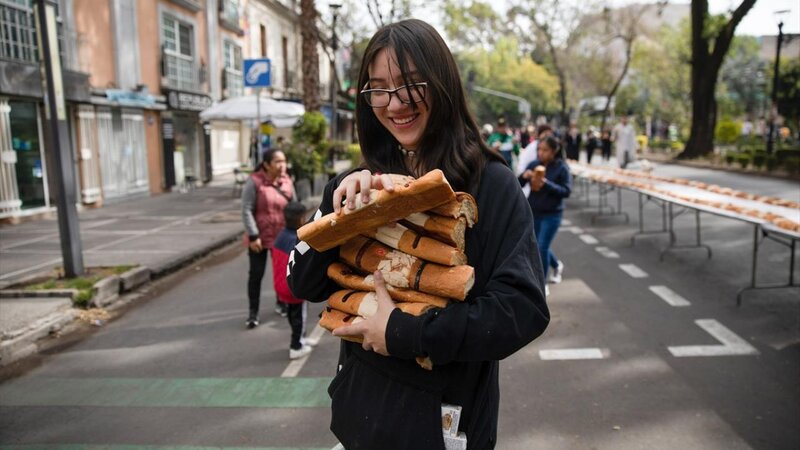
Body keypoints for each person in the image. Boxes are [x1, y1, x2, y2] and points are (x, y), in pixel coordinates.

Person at [287, 19, 549, 449]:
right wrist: (338, 205)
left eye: (409, 84)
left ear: (441, 83)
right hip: (359, 422)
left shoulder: (491, 184)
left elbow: (522, 310)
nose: (394, 104)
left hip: (445, 432)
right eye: (378, 88)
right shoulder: (358, 183)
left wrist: (405, 332)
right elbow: (303, 282)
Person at [241, 148, 295, 328]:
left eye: (284, 161)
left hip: (282, 239)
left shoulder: (287, 181)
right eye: (278, 162)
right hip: (259, 238)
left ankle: (281, 303)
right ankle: (252, 313)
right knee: (256, 275)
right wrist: (253, 235)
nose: (282, 166)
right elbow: (246, 209)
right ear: (266, 164)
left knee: (282, 273)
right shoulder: (255, 182)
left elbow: (294, 206)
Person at [519, 136, 571, 293]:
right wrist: (524, 176)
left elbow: (566, 191)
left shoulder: (562, 168)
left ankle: (542, 284)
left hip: (552, 214)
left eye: (545, 150)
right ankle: (556, 265)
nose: (541, 153)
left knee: (542, 246)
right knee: (537, 245)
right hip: (534, 211)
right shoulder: (534, 165)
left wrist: (546, 184)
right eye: (539, 150)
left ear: (554, 151)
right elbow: (517, 183)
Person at [272, 202, 318, 359]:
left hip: (281, 285)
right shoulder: (297, 240)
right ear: (301, 219)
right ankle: (296, 346)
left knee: (293, 316)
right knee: (300, 317)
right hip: (293, 288)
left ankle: (301, 339)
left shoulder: (281, 237)